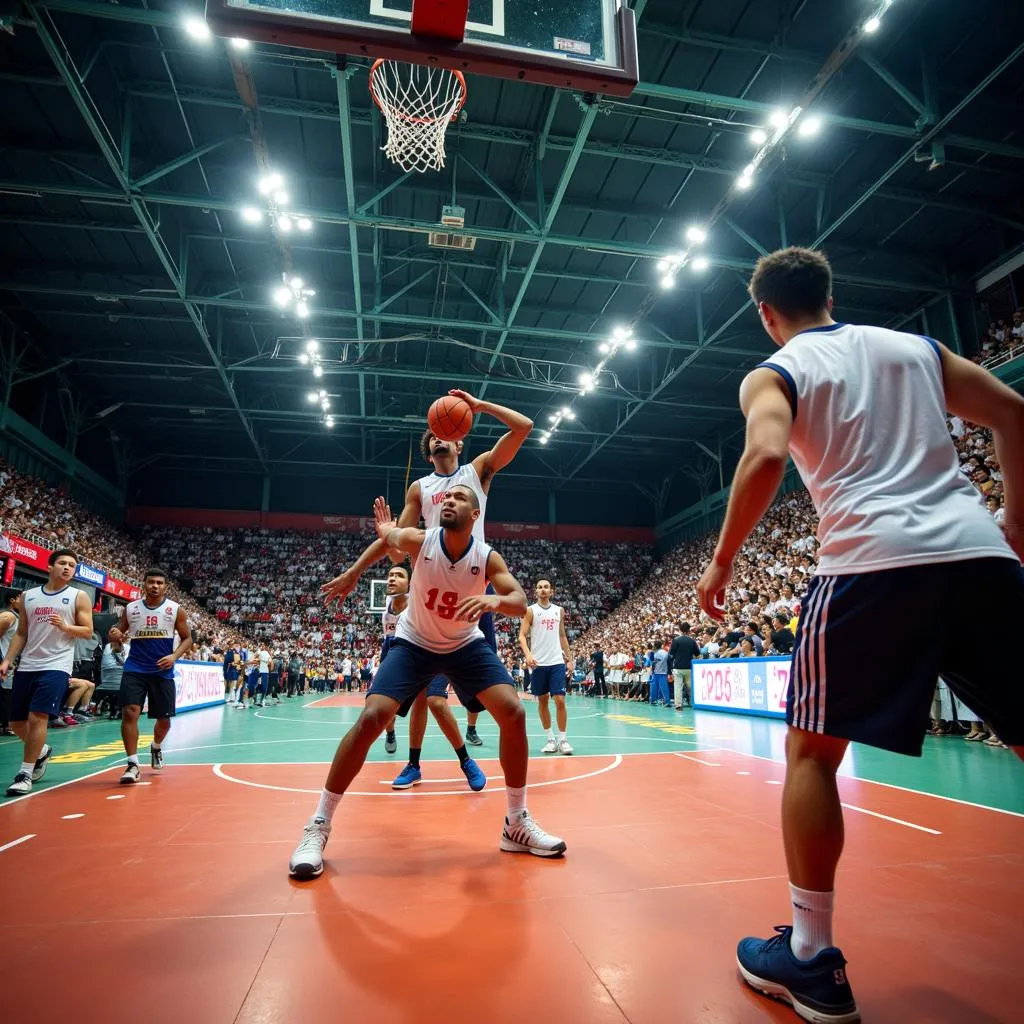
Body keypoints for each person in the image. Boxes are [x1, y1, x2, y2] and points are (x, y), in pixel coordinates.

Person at [697, 246, 1024, 1024]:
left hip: (871, 565)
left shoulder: (775, 370)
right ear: (829, 293)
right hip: (977, 554)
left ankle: (809, 959)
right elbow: (1015, 413)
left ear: (766, 314)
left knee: (813, 749)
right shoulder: (918, 348)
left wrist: (721, 560)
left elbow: (768, 452)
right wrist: (1012, 518)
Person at [288, 487, 565, 879]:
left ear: (474, 514)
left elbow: (519, 599)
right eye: (445, 496)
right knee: (372, 717)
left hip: (465, 644)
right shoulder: (421, 540)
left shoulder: (486, 556)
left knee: (514, 712)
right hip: (415, 642)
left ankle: (515, 822)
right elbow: (389, 540)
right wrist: (366, 556)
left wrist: (494, 602)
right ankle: (318, 826)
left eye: (458, 498)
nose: (448, 500)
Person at [322, 389, 533, 756]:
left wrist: (480, 406)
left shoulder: (477, 470)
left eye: (444, 436)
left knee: (487, 704)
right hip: (431, 593)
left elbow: (524, 427)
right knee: (424, 695)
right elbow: (396, 552)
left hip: (472, 591)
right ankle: (415, 761)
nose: (438, 440)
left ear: (459, 440)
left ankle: (481, 755)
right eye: (433, 436)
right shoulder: (420, 488)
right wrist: (357, 568)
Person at [1, 550, 93, 797]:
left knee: (37, 716)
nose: (67, 568)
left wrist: (66, 626)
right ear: (50, 566)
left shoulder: (78, 596)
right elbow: (21, 633)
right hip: (28, 664)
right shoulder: (29, 597)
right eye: (62, 563)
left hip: (57, 665)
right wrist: (8, 659)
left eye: (72, 565)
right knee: (17, 723)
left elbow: (87, 631)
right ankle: (41, 752)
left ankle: (25, 773)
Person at [110, 567, 193, 784]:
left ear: (165, 587)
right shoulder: (131, 608)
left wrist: (174, 656)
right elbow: (118, 636)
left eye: (159, 583)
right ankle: (132, 764)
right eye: (151, 582)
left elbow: (187, 639)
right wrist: (115, 636)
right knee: (130, 712)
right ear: (144, 585)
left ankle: (156, 747)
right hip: (135, 668)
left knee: (164, 721)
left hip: (162, 671)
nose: (155, 586)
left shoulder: (175, 610)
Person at [518, 579, 573, 755]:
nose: (543, 590)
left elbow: (563, 636)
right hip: (538, 663)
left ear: (552, 591)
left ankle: (563, 740)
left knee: (559, 700)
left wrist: (569, 659)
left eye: (546, 587)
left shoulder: (559, 611)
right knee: (542, 701)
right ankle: (550, 739)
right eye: (540, 587)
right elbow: (522, 636)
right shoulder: (530, 611)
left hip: (556, 661)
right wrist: (528, 655)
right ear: (536, 592)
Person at [0, 589, 23, 736]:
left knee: (7, 693)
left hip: (10, 662)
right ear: (12, 600)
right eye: (21, 598)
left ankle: (6, 724)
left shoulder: (18, 618)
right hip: (3, 660)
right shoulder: (7, 616)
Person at [668, 622, 699, 710]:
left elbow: (671, 654)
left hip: (677, 667)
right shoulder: (692, 641)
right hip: (689, 667)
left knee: (678, 687)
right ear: (689, 630)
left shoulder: (676, 640)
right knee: (690, 687)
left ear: (680, 630)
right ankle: (693, 703)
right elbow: (697, 654)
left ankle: (678, 705)